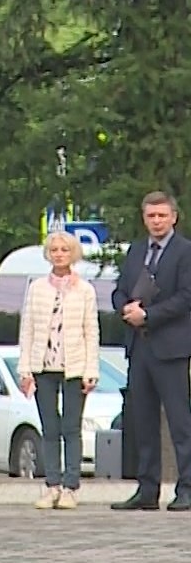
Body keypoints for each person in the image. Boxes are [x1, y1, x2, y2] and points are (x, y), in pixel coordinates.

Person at [111, 192, 191, 511]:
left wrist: (150, 315)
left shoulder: (185, 252)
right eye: (151, 216)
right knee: (142, 420)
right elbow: (119, 289)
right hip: (138, 347)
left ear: (173, 217)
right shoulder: (136, 250)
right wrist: (125, 308)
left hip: (171, 348)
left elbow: (187, 297)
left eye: (162, 215)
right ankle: (147, 489)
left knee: (179, 421)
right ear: (144, 218)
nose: (156, 221)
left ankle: (186, 487)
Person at [18, 229, 99, 510]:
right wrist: (25, 369)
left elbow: (91, 331)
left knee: (71, 428)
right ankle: (51, 484)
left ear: (73, 253)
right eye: (54, 250)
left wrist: (91, 370)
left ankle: (71, 487)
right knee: (49, 427)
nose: (59, 254)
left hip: (75, 368)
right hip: (44, 366)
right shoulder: (37, 287)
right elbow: (27, 329)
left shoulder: (85, 289)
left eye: (64, 250)